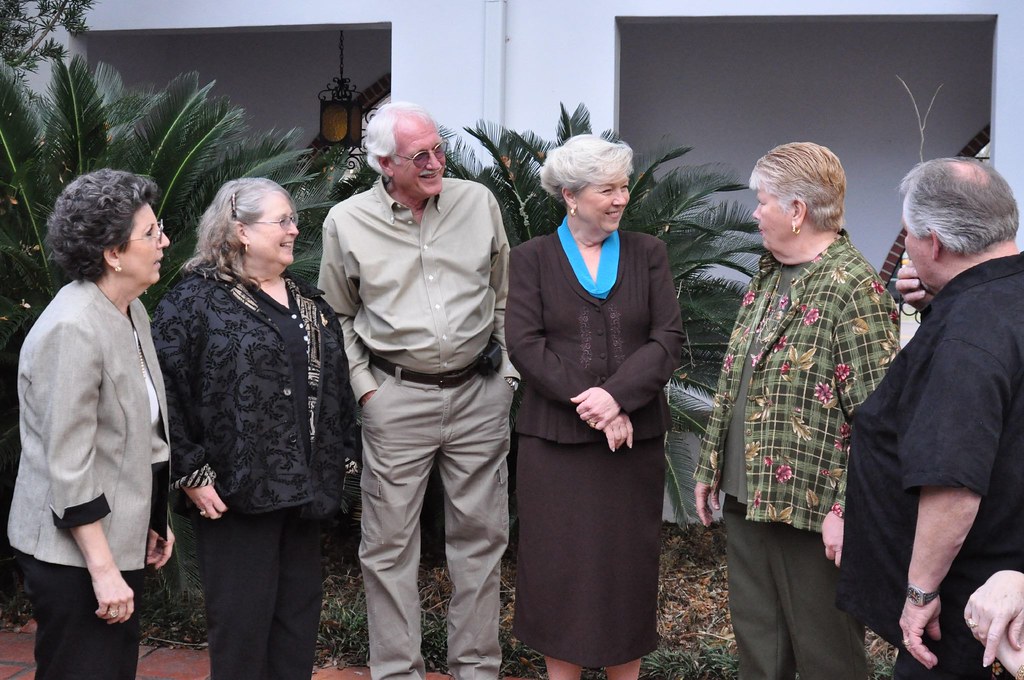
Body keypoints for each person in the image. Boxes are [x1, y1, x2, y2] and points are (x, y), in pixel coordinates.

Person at [318, 101, 517, 680]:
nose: (436, 162)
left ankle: (476, 669)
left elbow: (504, 294)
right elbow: (339, 315)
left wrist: (507, 375)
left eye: (438, 148)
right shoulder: (346, 221)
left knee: (482, 539)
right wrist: (364, 388)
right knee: (388, 548)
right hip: (395, 398)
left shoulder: (478, 203)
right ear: (385, 163)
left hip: (480, 394)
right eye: (420, 155)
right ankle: (398, 672)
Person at [693, 142, 899, 680]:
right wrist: (711, 463)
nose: (755, 212)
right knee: (760, 654)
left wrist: (847, 509)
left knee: (827, 657)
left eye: (763, 201)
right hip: (748, 495)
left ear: (797, 210)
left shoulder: (853, 286)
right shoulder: (766, 275)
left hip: (812, 507)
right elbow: (736, 375)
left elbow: (876, 416)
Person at [151, 178, 360, 679]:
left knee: (296, 628)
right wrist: (191, 473)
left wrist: (342, 465)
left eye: (292, 219)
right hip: (235, 496)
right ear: (241, 230)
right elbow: (162, 391)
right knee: (241, 630)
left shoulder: (309, 302)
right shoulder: (193, 301)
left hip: (305, 494)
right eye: (282, 220)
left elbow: (337, 390)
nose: (294, 229)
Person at [505, 134, 684, 680]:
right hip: (554, 445)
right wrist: (597, 404)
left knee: (625, 571)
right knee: (557, 570)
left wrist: (618, 397)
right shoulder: (531, 258)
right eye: (607, 189)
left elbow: (667, 337)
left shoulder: (648, 252)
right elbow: (525, 344)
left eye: (624, 187)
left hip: (633, 444)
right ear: (570, 194)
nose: (620, 199)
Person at [837, 158, 1024, 679]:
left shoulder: (967, 335)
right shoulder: (994, 302)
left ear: (933, 243)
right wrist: (943, 299)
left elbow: (953, 484)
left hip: (971, 613)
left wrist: (920, 593)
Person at [7, 168, 175, 679]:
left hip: (112, 540)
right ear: (113, 254)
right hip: (73, 557)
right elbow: (69, 463)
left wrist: (151, 520)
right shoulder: (73, 327)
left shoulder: (129, 308)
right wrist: (103, 571)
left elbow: (137, 432)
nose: (164, 240)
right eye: (150, 234)